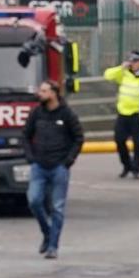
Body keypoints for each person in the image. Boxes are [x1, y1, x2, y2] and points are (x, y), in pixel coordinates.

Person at [22, 80, 83, 258]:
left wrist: (68, 161)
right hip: (39, 166)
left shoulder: (67, 114)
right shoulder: (37, 113)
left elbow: (78, 138)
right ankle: (46, 233)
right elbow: (26, 135)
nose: (39, 94)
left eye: (44, 91)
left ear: (54, 93)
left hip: (59, 167)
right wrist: (31, 158)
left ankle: (53, 246)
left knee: (57, 208)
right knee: (34, 200)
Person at [101, 50, 139, 179]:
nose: (132, 64)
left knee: (138, 143)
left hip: (137, 115)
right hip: (123, 113)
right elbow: (107, 75)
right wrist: (121, 68)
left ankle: (136, 168)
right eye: (131, 61)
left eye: (135, 61)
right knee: (119, 140)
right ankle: (126, 165)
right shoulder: (124, 74)